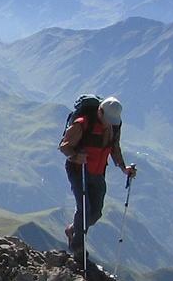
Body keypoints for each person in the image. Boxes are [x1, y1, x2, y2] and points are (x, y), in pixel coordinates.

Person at [58, 96, 137, 259]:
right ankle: (77, 248)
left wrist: (124, 168)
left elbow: (114, 147)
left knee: (95, 213)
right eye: (107, 119)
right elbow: (64, 147)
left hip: (98, 172)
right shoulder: (82, 123)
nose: (109, 123)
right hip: (78, 170)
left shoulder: (114, 126)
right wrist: (75, 156)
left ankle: (73, 229)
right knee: (85, 210)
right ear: (99, 111)